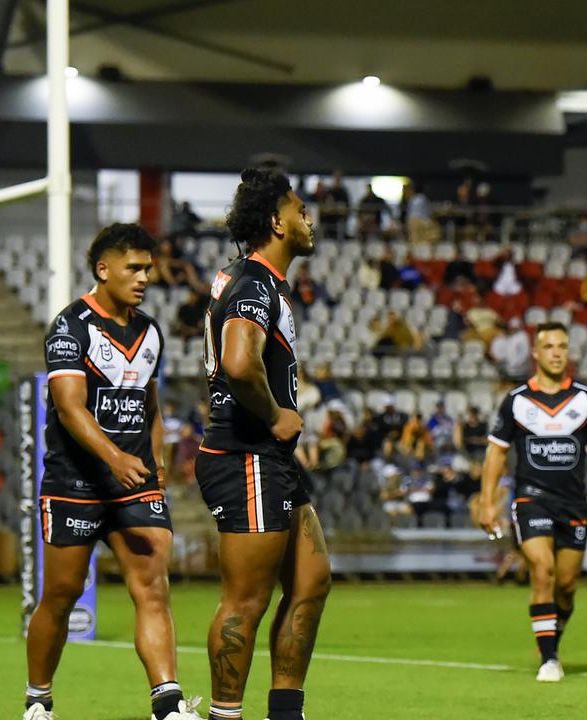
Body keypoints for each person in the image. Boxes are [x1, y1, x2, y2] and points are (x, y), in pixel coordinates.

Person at [28, 223, 200, 720]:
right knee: (60, 596)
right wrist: (115, 458)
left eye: (148, 268)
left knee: (152, 585)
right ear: (103, 270)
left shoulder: (150, 331)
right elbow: (69, 407)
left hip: (134, 484)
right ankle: (38, 699)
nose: (145, 277)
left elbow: (148, 400)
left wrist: (157, 455)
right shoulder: (70, 327)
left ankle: (167, 701)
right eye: (134, 268)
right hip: (75, 483)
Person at [194, 168, 330, 720]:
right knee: (246, 601)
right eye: (300, 210)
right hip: (244, 452)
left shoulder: (259, 282)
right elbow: (237, 362)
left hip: (267, 459)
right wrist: (277, 414)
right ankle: (226, 714)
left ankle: (285, 712)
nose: (309, 218)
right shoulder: (253, 282)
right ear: (277, 221)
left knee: (312, 580)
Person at [477, 322, 587, 682]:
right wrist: (487, 502)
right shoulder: (517, 401)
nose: (556, 352)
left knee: (566, 585)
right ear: (535, 354)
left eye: (562, 346)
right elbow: (495, 455)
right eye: (549, 346)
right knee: (542, 570)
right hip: (531, 499)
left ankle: (551, 635)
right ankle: (549, 659)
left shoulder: (586, 398)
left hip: (573, 503)